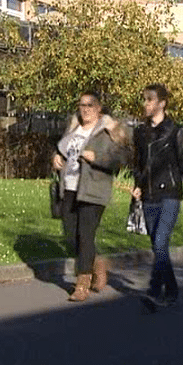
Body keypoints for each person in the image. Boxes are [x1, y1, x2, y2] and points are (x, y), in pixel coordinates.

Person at [52, 91, 130, 302]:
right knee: (71, 235)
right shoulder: (74, 128)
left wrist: (98, 158)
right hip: (69, 188)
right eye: (82, 105)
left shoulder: (108, 131)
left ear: (98, 108)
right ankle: (98, 264)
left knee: (85, 234)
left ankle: (81, 284)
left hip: (94, 190)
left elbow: (121, 158)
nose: (85, 109)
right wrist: (57, 157)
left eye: (90, 105)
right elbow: (63, 149)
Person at [131, 83, 183, 308]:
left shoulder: (176, 131)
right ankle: (172, 290)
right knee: (157, 247)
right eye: (144, 99)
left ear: (162, 103)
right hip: (148, 196)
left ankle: (155, 290)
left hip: (169, 194)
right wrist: (137, 185)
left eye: (150, 100)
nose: (146, 104)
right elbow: (138, 164)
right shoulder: (140, 132)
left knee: (160, 243)